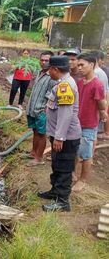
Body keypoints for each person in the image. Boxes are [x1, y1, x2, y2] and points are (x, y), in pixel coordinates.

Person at [37, 56, 81, 212]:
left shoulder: (65, 86)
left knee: (64, 167)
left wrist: (60, 137)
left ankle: (62, 201)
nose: (48, 71)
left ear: (55, 69)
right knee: (57, 164)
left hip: (66, 136)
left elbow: (65, 113)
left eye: (50, 69)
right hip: (59, 134)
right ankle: (55, 192)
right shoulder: (62, 84)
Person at [72, 53, 107, 192]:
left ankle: (83, 180)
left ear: (91, 65)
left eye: (82, 65)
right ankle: (73, 174)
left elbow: (101, 103)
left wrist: (103, 112)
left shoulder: (97, 84)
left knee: (86, 153)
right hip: (77, 122)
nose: (79, 68)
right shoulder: (80, 82)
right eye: (78, 65)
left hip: (89, 124)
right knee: (74, 150)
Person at [25, 51, 55, 166]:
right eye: (42, 60)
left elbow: (52, 95)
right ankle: (33, 152)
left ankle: (39, 158)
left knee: (41, 134)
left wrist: (45, 109)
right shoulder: (40, 73)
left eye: (46, 60)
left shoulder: (52, 76)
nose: (43, 62)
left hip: (42, 110)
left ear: (51, 61)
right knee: (35, 131)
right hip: (33, 108)